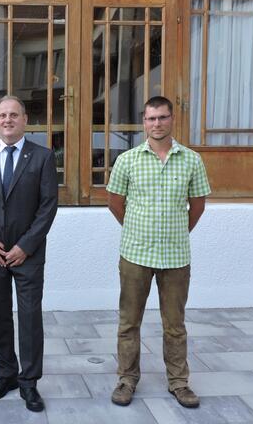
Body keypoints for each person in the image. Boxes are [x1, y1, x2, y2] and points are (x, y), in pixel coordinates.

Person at [106, 96, 210, 409]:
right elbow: (114, 201)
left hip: (176, 257)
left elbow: (198, 205)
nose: (157, 124)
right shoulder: (128, 160)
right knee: (129, 322)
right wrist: (137, 229)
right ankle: (126, 379)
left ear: (172, 119)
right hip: (136, 254)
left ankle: (179, 382)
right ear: (144, 122)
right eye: (151, 119)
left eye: (162, 117)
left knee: (175, 324)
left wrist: (176, 231)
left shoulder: (191, 160)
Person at [0, 95, 58, 412]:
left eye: (13, 115)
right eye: (2, 115)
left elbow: (47, 208)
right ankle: (6, 374)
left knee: (30, 318)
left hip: (27, 255)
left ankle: (29, 383)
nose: (7, 120)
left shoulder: (43, 157)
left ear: (25, 120)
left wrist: (25, 246)